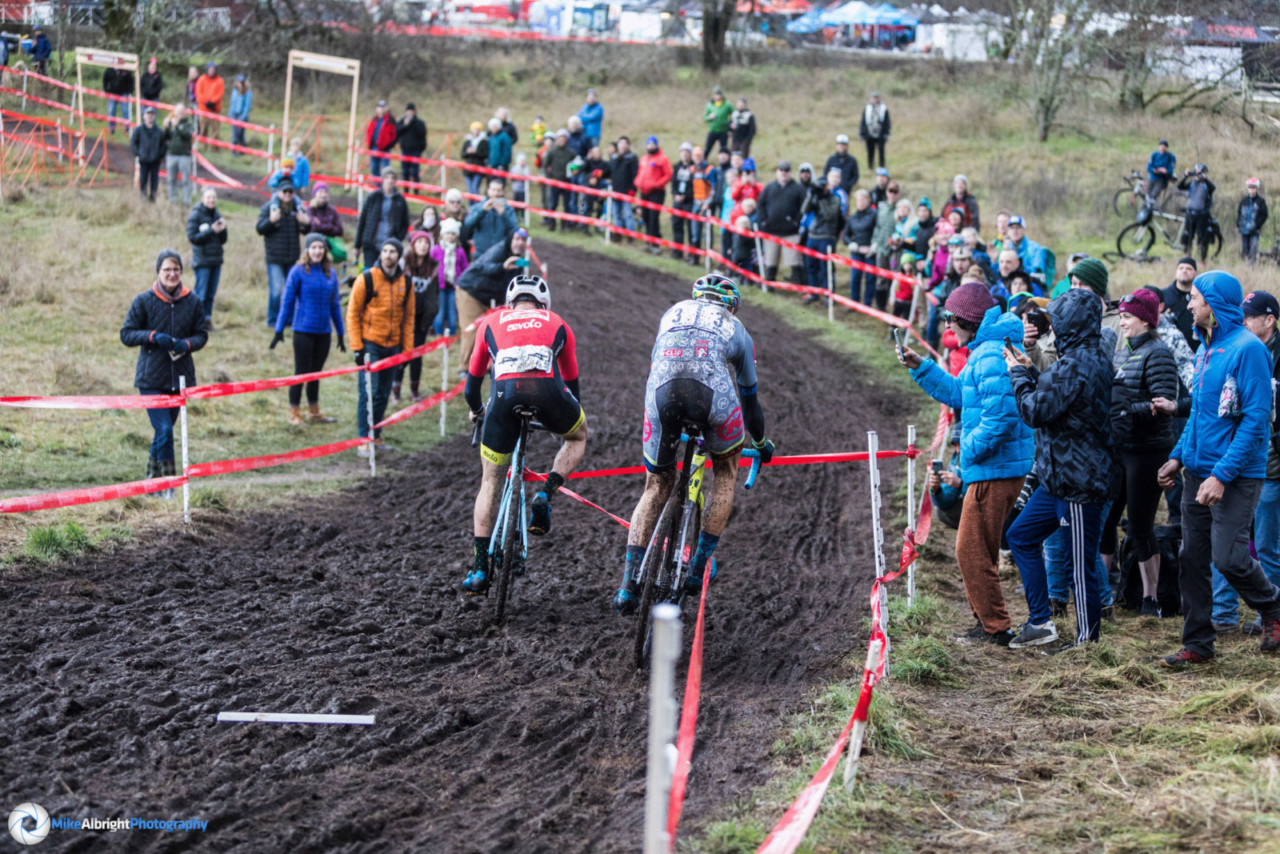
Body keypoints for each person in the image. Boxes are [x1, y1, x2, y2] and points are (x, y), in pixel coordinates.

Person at [612, 276, 773, 613]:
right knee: (726, 472)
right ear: (730, 305)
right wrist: (760, 442)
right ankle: (698, 566)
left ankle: (627, 585)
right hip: (712, 395)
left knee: (656, 485)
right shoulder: (736, 327)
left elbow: (660, 364)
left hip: (662, 391)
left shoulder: (672, 312)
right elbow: (750, 400)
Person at [899, 284, 1034, 645]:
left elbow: (1002, 418)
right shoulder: (983, 351)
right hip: (996, 466)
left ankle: (996, 627)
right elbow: (960, 393)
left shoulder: (990, 355)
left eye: (950, 318)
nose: (946, 326)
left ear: (966, 319)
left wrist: (967, 453)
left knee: (970, 549)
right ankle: (988, 622)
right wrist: (922, 367)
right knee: (980, 548)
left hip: (996, 468)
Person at [1156, 272, 1280, 665]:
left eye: (1195, 298)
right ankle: (1198, 644)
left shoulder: (1249, 350)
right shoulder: (1204, 350)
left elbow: (1256, 420)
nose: (1188, 304)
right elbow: (1199, 417)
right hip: (1196, 472)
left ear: (1214, 303)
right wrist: (1177, 456)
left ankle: (1273, 609)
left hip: (1237, 475)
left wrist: (1222, 475)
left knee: (1228, 557)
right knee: (1192, 559)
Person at [1004, 288, 1117, 652]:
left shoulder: (1077, 364)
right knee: (1020, 536)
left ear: (1071, 324)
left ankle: (1087, 643)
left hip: (1080, 482)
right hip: (1058, 480)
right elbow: (1058, 398)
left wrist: (1019, 376)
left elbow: (1034, 411)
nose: (1051, 326)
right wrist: (1031, 370)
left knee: (1079, 569)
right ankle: (1040, 621)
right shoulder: (1084, 359)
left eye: (1056, 320)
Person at [462, 275, 588, 593]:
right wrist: (562, 414)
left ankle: (479, 567)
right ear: (543, 304)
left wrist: (477, 410)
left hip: (502, 398)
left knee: (489, 481)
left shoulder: (490, 322)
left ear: (510, 302)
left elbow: (472, 385)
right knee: (578, 436)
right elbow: (572, 383)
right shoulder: (557, 321)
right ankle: (546, 492)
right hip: (548, 393)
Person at [1098, 288, 1179, 617]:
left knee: (1141, 525)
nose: (1122, 322)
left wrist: (1122, 411)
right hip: (1120, 446)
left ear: (1146, 320)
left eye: (1127, 317)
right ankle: (1102, 593)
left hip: (1147, 451)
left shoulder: (1158, 353)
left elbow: (1162, 404)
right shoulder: (1121, 352)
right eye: (1120, 316)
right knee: (1106, 521)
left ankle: (1151, 599)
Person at [1204, 290, 1280, 635]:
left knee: (1264, 544)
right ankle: (1223, 614)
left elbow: (1258, 416)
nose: (1244, 322)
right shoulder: (1233, 347)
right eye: (1242, 316)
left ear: (1269, 319)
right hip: (1230, 460)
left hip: (1270, 465)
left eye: (1250, 317)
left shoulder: (1266, 354)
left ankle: (1269, 616)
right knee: (1225, 544)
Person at [119, 249, 209, 497]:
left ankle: (151, 483)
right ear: (158, 272)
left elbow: (202, 335)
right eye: (167, 269)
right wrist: (152, 336)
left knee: (162, 433)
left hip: (180, 379)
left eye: (176, 269)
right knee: (165, 432)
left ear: (182, 272)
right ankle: (168, 486)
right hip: (151, 378)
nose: (172, 274)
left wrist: (187, 344)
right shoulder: (144, 300)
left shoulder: (193, 302)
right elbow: (126, 334)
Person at [347, 237, 414, 454]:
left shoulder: (407, 282)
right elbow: (352, 313)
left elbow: (409, 318)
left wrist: (407, 351)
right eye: (384, 250)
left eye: (392, 251)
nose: (388, 255)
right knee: (368, 391)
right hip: (370, 344)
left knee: (383, 393)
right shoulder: (366, 278)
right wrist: (357, 347)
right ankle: (363, 438)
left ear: (399, 255)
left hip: (393, 346)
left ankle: (376, 435)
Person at [272, 234, 345, 424]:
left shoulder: (331, 274)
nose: (318, 251)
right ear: (307, 250)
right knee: (301, 372)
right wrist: (279, 329)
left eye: (321, 248)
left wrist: (341, 333)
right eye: (313, 247)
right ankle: (294, 413)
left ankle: (314, 411)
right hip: (303, 331)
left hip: (324, 333)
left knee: (316, 373)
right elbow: (287, 301)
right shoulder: (297, 271)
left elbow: (335, 305)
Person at [457, 228, 531, 366]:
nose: (519, 243)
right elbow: (484, 267)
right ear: (510, 239)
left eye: (523, 240)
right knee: (471, 331)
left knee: (491, 333)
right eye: (516, 239)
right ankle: (465, 368)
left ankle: (488, 367)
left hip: (491, 297)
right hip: (471, 291)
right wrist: (502, 266)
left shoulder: (520, 261)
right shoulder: (499, 250)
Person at [255, 177, 310, 326]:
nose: (287, 194)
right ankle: (273, 320)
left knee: (291, 291)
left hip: (292, 257)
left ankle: (290, 319)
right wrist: (271, 221)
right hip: (274, 257)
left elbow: (306, 231)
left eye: (290, 192)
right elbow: (260, 229)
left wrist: (306, 223)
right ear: (278, 192)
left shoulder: (298, 209)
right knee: (276, 291)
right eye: (285, 191)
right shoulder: (269, 208)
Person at [393, 229, 438, 404]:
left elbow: (434, 295)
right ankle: (395, 390)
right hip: (404, 318)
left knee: (417, 356)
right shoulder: (403, 264)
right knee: (401, 353)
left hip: (422, 319)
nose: (423, 246)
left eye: (426, 243)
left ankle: (414, 390)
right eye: (420, 242)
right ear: (413, 244)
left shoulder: (433, 266)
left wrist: (430, 317)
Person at [757, 160, 806, 285]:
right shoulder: (769, 187)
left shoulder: (798, 189)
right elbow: (760, 204)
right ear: (777, 172)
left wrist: (796, 222)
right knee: (771, 260)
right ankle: (769, 284)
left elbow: (804, 208)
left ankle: (799, 286)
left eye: (786, 171)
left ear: (790, 172)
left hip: (791, 232)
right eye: (781, 170)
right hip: (771, 231)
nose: (784, 173)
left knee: (794, 260)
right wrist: (763, 221)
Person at [801, 171, 846, 302]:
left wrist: (821, 199)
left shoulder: (835, 199)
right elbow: (804, 210)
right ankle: (814, 292)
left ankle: (828, 295)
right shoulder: (815, 195)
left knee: (826, 267)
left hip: (827, 236)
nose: (821, 188)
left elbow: (828, 215)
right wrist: (811, 195)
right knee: (811, 266)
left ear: (828, 186)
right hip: (813, 235)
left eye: (823, 186)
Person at [186, 187, 228, 325]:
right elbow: (193, 237)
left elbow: (223, 240)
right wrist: (211, 230)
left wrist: (223, 230)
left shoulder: (217, 215)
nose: (211, 200)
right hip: (202, 261)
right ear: (202, 198)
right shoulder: (195, 215)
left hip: (216, 260)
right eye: (209, 197)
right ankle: (196, 321)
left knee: (210, 294)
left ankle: (207, 319)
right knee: (201, 294)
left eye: (214, 197)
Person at [355, 170, 410, 269]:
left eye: (393, 178)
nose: (390, 180)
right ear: (382, 179)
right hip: (371, 244)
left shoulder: (400, 200)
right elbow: (362, 221)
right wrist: (357, 246)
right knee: (369, 273)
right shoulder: (372, 197)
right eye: (387, 177)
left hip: (390, 246)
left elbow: (405, 224)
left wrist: (398, 239)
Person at [635, 135, 673, 251]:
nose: (651, 146)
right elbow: (640, 173)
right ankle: (649, 241)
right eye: (649, 144)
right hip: (644, 192)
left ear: (657, 145)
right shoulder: (644, 159)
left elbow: (668, 175)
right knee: (645, 216)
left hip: (657, 192)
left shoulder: (662, 159)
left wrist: (657, 184)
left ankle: (655, 244)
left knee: (653, 218)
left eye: (653, 144)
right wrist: (637, 182)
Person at [464, 178, 519, 258]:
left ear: (503, 192)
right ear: (488, 190)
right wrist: (482, 211)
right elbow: (468, 224)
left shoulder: (508, 210)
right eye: (493, 190)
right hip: (481, 254)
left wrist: (504, 215)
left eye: (499, 190)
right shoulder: (478, 207)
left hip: (501, 253)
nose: (496, 193)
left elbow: (514, 229)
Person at [431, 218, 467, 335]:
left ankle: (452, 334)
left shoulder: (460, 251)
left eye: (453, 233)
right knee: (440, 311)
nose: (450, 236)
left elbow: (465, 267)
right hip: (439, 286)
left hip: (454, 286)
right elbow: (431, 265)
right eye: (448, 233)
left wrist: (462, 282)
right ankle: (438, 333)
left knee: (452, 311)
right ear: (442, 234)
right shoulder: (436, 250)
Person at [844, 189, 879, 305]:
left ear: (868, 200)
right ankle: (854, 302)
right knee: (855, 277)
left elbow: (879, 230)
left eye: (863, 199)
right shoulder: (852, 217)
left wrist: (875, 245)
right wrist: (851, 243)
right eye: (858, 200)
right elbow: (845, 235)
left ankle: (868, 303)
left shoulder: (874, 214)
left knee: (870, 278)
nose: (861, 202)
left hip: (870, 251)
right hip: (857, 251)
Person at [1177, 163, 1216, 262]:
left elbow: (1213, 188)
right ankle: (1188, 257)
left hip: (1202, 215)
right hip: (1190, 214)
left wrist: (1204, 178)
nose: (1197, 175)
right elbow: (1180, 186)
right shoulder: (1192, 184)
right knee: (1188, 236)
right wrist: (1186, 176)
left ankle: (1203, 259)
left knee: (1202, 238)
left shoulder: (1206, 185)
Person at [1004, 215, 1054, 290]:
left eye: (1018, 227)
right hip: (1011, 286)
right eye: (1012, 228)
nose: (1015, 231)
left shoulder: (1035, 249)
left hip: (1031, 287)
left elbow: (1038, 275)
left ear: (1024, 229)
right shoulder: (1006, 248)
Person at [1161, 256, 1200, 351]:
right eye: (1181, 268)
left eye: (1189, 268)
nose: (1184, 271)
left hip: (1196, 348)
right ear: (1176, 272)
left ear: (1196, 274)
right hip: (1168, 350)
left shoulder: (1201, 297)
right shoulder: (1163, 295)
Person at [542, 129, 576, 230]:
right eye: (560, 138)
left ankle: (565, 225)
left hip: (567, 182)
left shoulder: (570, 152)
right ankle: (551, 224)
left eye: (564, 138)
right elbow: (545, 165)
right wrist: (549, 177)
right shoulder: (552, 151)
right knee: (553, 204)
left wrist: (574, 171)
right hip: (555, 182)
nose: (562, 140)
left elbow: (577, 163)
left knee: (567, 205)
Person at [130, 106, 166, 202]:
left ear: (154, 116)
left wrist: (160, 155)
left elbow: (163, 145)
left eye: (151, 114)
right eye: (148, 114)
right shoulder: (139, 130)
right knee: (143, 182)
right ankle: (143, 200)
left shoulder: (159, 131)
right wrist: (138, 154)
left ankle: (153, 200)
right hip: (144, 160)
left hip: (155, 160)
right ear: (144, 116)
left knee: (154, 183)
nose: (150, 116)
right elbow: (133, 143)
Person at [162, 103, 195, 206]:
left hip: (184, 155)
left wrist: (177, 127)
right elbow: (165, 138)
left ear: (184, 112)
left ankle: (186, 201)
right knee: (171, 179)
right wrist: (166, 127)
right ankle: (173, 200)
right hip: (171, 155)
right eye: (178, 111)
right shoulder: (171, 122)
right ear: (175, 112)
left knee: (185, 179)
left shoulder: (188, 124)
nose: (180, 114)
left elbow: (187, 136)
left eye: (182, 111)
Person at [306, 182, 346, 261]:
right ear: (315, 194)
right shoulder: (310, 210)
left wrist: (320, 225)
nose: (323, 194)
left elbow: (339, 230)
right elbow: (312, 228)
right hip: (313, 249)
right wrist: (330, 226)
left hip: (330, 249)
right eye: (320, 192)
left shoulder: (332, 210)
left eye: (325, 192)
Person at [609, 135, 639, 239]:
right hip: (615, 190)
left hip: (627, 191)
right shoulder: (614, 158)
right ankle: (617, 235)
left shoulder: (632, 158)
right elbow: (609, 172)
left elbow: (635, 175)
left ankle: (630, 235)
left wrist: (633, 189)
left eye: (624, 143)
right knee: (616, 214)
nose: (622, 145)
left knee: (628, 215)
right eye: (620, 143)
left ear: (628, 145)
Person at [1236, 178, 1269, 263]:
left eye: (1253, 187)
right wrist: (1238, 223)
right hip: (1244, 230)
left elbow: (1264, 215)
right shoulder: (1243, 201)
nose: (1251, 189)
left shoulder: (1261, 201)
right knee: (1244, 250)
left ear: (1257, 188)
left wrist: (1257, 224)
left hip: (1254, 231)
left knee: (1253, 250)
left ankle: (1252, 267)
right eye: (1250, 187)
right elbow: (1239, 212)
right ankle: (1245, 267)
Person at [396, 103, 427, 186]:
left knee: (415, 173)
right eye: (408, 111)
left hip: (415, 151)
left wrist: (421, 148)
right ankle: (406, 191)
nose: (409, 113)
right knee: (405, 172)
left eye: (411, 111)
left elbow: (422, 134)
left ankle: (416, 192)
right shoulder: (402, 121)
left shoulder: (419, 123)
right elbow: (397, 131)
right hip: (405, 150)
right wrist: (405, 125)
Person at [365, 100, 398, 178]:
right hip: (374, 147)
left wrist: (390, 145)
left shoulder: (390, 119)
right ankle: (377, 187)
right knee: (374, 169)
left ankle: (385, 187)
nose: (381, 109)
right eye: (380, 107)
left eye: (383, 107)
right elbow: (369, 131)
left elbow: (395, 133)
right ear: (377, 109)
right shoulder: (374, 119)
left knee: (385, 170)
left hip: (384, 149)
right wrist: (369, 143)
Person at [859, 91, 890, 170]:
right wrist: (862, 133)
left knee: (881, 151)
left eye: (876, 98)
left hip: (880, 133)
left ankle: (882, 167)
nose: (875, 99)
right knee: (870, 151)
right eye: (873, 98)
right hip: (869, 133)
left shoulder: (883, 108)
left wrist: (886, 133)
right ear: (870, 99)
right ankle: (870, 167)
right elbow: (863, 121)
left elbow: (887, 122)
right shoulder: (867, 108)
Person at [193, 62, 224, 140]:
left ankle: (215, 147)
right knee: (203, 129)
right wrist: (206, 102)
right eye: (210, 70)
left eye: (213, 70)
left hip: (215, 108)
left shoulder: (219, 80)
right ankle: (203, 146)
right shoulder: (201, 79)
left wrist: (212, 101)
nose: (211, 71)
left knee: (215, 129)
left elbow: (220, 93)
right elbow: (198, 92)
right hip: (203, 108)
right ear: (207, 70)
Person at [102, 64, 134, 134]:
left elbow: (131, 80)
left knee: (125, 111)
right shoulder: (109, 70)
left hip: (124, 93)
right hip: (112, 93)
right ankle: (111, 128)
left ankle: (127, 128)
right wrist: (106, 90)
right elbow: (105, 80)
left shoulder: (125, 70)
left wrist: (130, 91)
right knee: (111, 111)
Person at [703, 85, 733, 155]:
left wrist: (730, 128)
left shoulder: (727, 104)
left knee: (724, 150)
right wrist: (709, 117)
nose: (718, 97)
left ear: (722, 95)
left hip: (723, 131)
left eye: (719, 95)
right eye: (716, 95)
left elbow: (733, 115)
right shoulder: (709, 105)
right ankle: (703, 163)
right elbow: (705, 118)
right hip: (713, 130)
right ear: (713, 95)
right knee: (707, 149)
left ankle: (725, 164)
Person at [227, 75, 252, 155]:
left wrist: (243, 117)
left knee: (240, 134)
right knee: (235, 134)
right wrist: (230, 114)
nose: (239, 84)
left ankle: (242, 150)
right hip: (234, 115)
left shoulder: (247, 93)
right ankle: (234, 151)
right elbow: (231, 103)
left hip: (242, 116)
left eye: (241, 82)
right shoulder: (234, 91)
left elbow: (247, 106)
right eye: (238, 82)